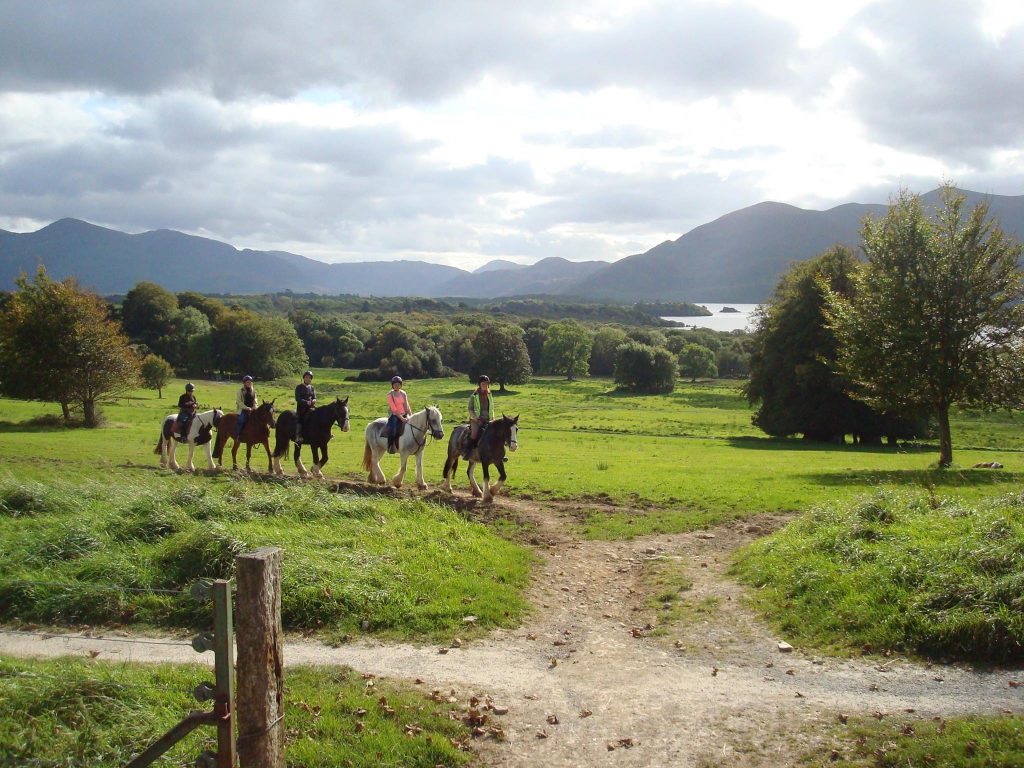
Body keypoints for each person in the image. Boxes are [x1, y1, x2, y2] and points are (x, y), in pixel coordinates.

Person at [463, 374, 493, 459]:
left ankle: (499, 454)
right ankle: (467, 452)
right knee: (474, 434)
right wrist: (475, 418)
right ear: (479, 384)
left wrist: (492, 418)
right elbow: (470, 409)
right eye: (483, 384)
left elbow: (492, 408)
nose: (485, 385)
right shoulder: (474, 395)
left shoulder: (489, 395)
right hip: (476, 420)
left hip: (488, 419)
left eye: (486, 384)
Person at [386, 375, 411, 454]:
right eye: (395, 384)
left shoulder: (403, 393)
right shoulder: (390, 395)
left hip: (404, 414)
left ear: (401, 385)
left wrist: (410, 415)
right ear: (392, 385)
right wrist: (402, 418)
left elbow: (406, 405)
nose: (397, 385)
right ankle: (390, 446)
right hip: (394, 415)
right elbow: (394, 409)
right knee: (393, 430)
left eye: (398, 384)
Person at [294, 370, 316, 444]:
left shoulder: (312, 388)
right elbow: (298, 399)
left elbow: (314, 397)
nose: (308, 379)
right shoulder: (299, 387)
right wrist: (306, 402)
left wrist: (314, 400)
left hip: (311, 407)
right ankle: (298, 436)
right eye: (307, 377)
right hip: (302, 408)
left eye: (310, 378)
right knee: (300, 418)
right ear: (304, 378)